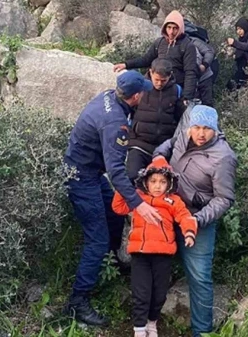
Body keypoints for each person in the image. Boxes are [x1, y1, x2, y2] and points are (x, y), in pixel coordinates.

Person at [63, 71, 164, 327]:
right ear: (135, 96)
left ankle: (111, 261)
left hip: (89, 170)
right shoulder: (114, 122)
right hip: (81, 177)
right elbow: (116, 170)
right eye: (143, 91)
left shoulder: (110, 96)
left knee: (114, 214)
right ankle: (78, 301)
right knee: (96, 239)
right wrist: (139, 204)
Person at [153, 105, 237, 337]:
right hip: (168, 211)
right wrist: (160, 155)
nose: (201, 134)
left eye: (207, 129)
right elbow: (170, 144)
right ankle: (149, 321)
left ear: (215, 129)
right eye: (197, 127)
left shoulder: (224, 157)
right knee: (152, 263)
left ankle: (202, 332)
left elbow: (224, 198)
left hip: (197, 220)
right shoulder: (184, 134)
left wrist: (197, 220)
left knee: (199, 278)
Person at [112, 158, 198, 337]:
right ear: (145, 182)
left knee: (159, 294)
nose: (157, 186)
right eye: (153, 181)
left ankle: (152, 323)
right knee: (140, 293)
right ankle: (139, 329)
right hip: (140, 254)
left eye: (162, 182)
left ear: (169, 183)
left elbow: (185, 217)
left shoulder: (173, 201)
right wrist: (124, 186)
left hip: (163, 255)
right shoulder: (137, 198)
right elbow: (118, 207)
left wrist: (189, 233)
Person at [114, 10, 199, 103]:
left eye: (175, 28)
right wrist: (126, 65)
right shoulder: (159, 42)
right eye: (169, 27)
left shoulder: (187, 46)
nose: (171, 32)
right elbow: (146, 60)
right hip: (154, 83)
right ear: (165, 27)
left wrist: (186, 97)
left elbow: (190, 72)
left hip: (173, 87)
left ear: (180, 28)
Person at [126, 58, 186, 181]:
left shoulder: (176, 91)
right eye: (156, 80)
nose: (159, 83)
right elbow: (127, 111)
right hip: (139, 144)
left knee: (162, 183)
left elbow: (182, 118)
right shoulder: (140, 87)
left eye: (163, 81)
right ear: (150, 72)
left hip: (163, 147)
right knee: (133, 177)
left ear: (170, 76)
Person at [184, 18, 216, 106]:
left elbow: (209, 51)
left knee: (207, 103)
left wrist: (204, 65)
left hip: (204, 76)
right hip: (190, 79)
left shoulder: (193, 41)